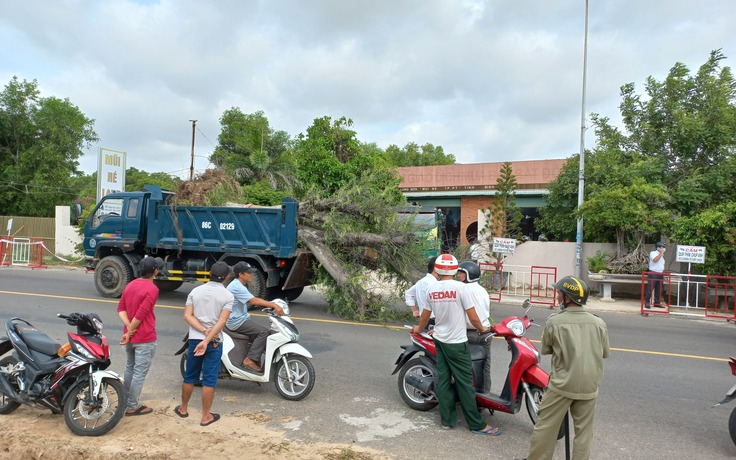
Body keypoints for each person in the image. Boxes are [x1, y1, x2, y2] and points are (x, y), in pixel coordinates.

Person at [412, 254, 500, 436]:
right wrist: (483, 328)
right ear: (454, 269)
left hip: (440, 339)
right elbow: (473, 317)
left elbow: (425, 316)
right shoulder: (461, 288)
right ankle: (476, 424)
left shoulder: (432, 288)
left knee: (443, 379)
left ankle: (447, 421)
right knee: (465, 383)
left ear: (437, 269)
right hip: (457, 342)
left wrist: (417, 328)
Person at [524, 275, 609, 460]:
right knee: (584, 434)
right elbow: (603, 352)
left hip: (562, 384)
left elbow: (545, 349)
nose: (557, 297)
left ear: (568, 298)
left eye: (560, 294)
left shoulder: (555, 321)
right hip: (589, 386)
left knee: (545, 428)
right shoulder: (599, 323)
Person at [174, 261, 233, 426]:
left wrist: (202, 331)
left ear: (209, 274)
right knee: (209, 379)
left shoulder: (195, 291)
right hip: (214, 342)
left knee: (190, 376)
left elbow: (187, 316)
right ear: (227, 277)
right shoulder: (227, 296)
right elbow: (222, 321)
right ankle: (206, 415)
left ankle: (183, 408)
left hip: (194, 339)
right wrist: (208, 337)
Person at [117, 256, 163, 416]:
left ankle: (123, 400)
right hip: (144, 337)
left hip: (129, 336)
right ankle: (132, 405)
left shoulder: (130, 285)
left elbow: (121, 309)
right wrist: (131, 330)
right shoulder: (152, 289)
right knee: (139, 372)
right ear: (155, 271)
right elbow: (141, 314)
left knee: (129, 367)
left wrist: (128, 330)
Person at [226, 261, 285, 372]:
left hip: (240, 319)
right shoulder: (236, 286)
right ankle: (250, 360)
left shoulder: (240, 285)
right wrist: (273, 305)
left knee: (262, 332)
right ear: (241, 274)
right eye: (249, 273)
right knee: (263, 332)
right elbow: (254, 301)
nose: (251, 275)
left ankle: (255, 361)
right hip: (236, 322)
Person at [457, 260, 492, 393]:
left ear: (468, 275)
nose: (458, 276)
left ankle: (468, 396)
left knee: (466, 367)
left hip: (470, 333)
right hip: (486, 333)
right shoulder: (482, 290)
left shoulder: (464, 290)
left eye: (461, 273)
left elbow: (471, 317)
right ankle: (485, 395)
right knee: (485, 367)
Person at [404, 256, 438, 321]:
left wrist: (414, 311)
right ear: (435, 268)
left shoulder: (421, 282)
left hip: (423, 320)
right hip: (434, 320)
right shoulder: (434, 284)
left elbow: (408, 293)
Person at [644, 242, 666, 308]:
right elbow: (655, 260)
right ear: (658, 247)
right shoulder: (653, 253)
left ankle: (657, 302)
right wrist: (661, 254)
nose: (663, 248)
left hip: (660, 273)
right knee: (650, 288)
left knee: (659, 289)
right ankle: (647, 302)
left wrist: (661, 254)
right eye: (662, 247)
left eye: (664, 247)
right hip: (653, 273)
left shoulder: (661, 255)